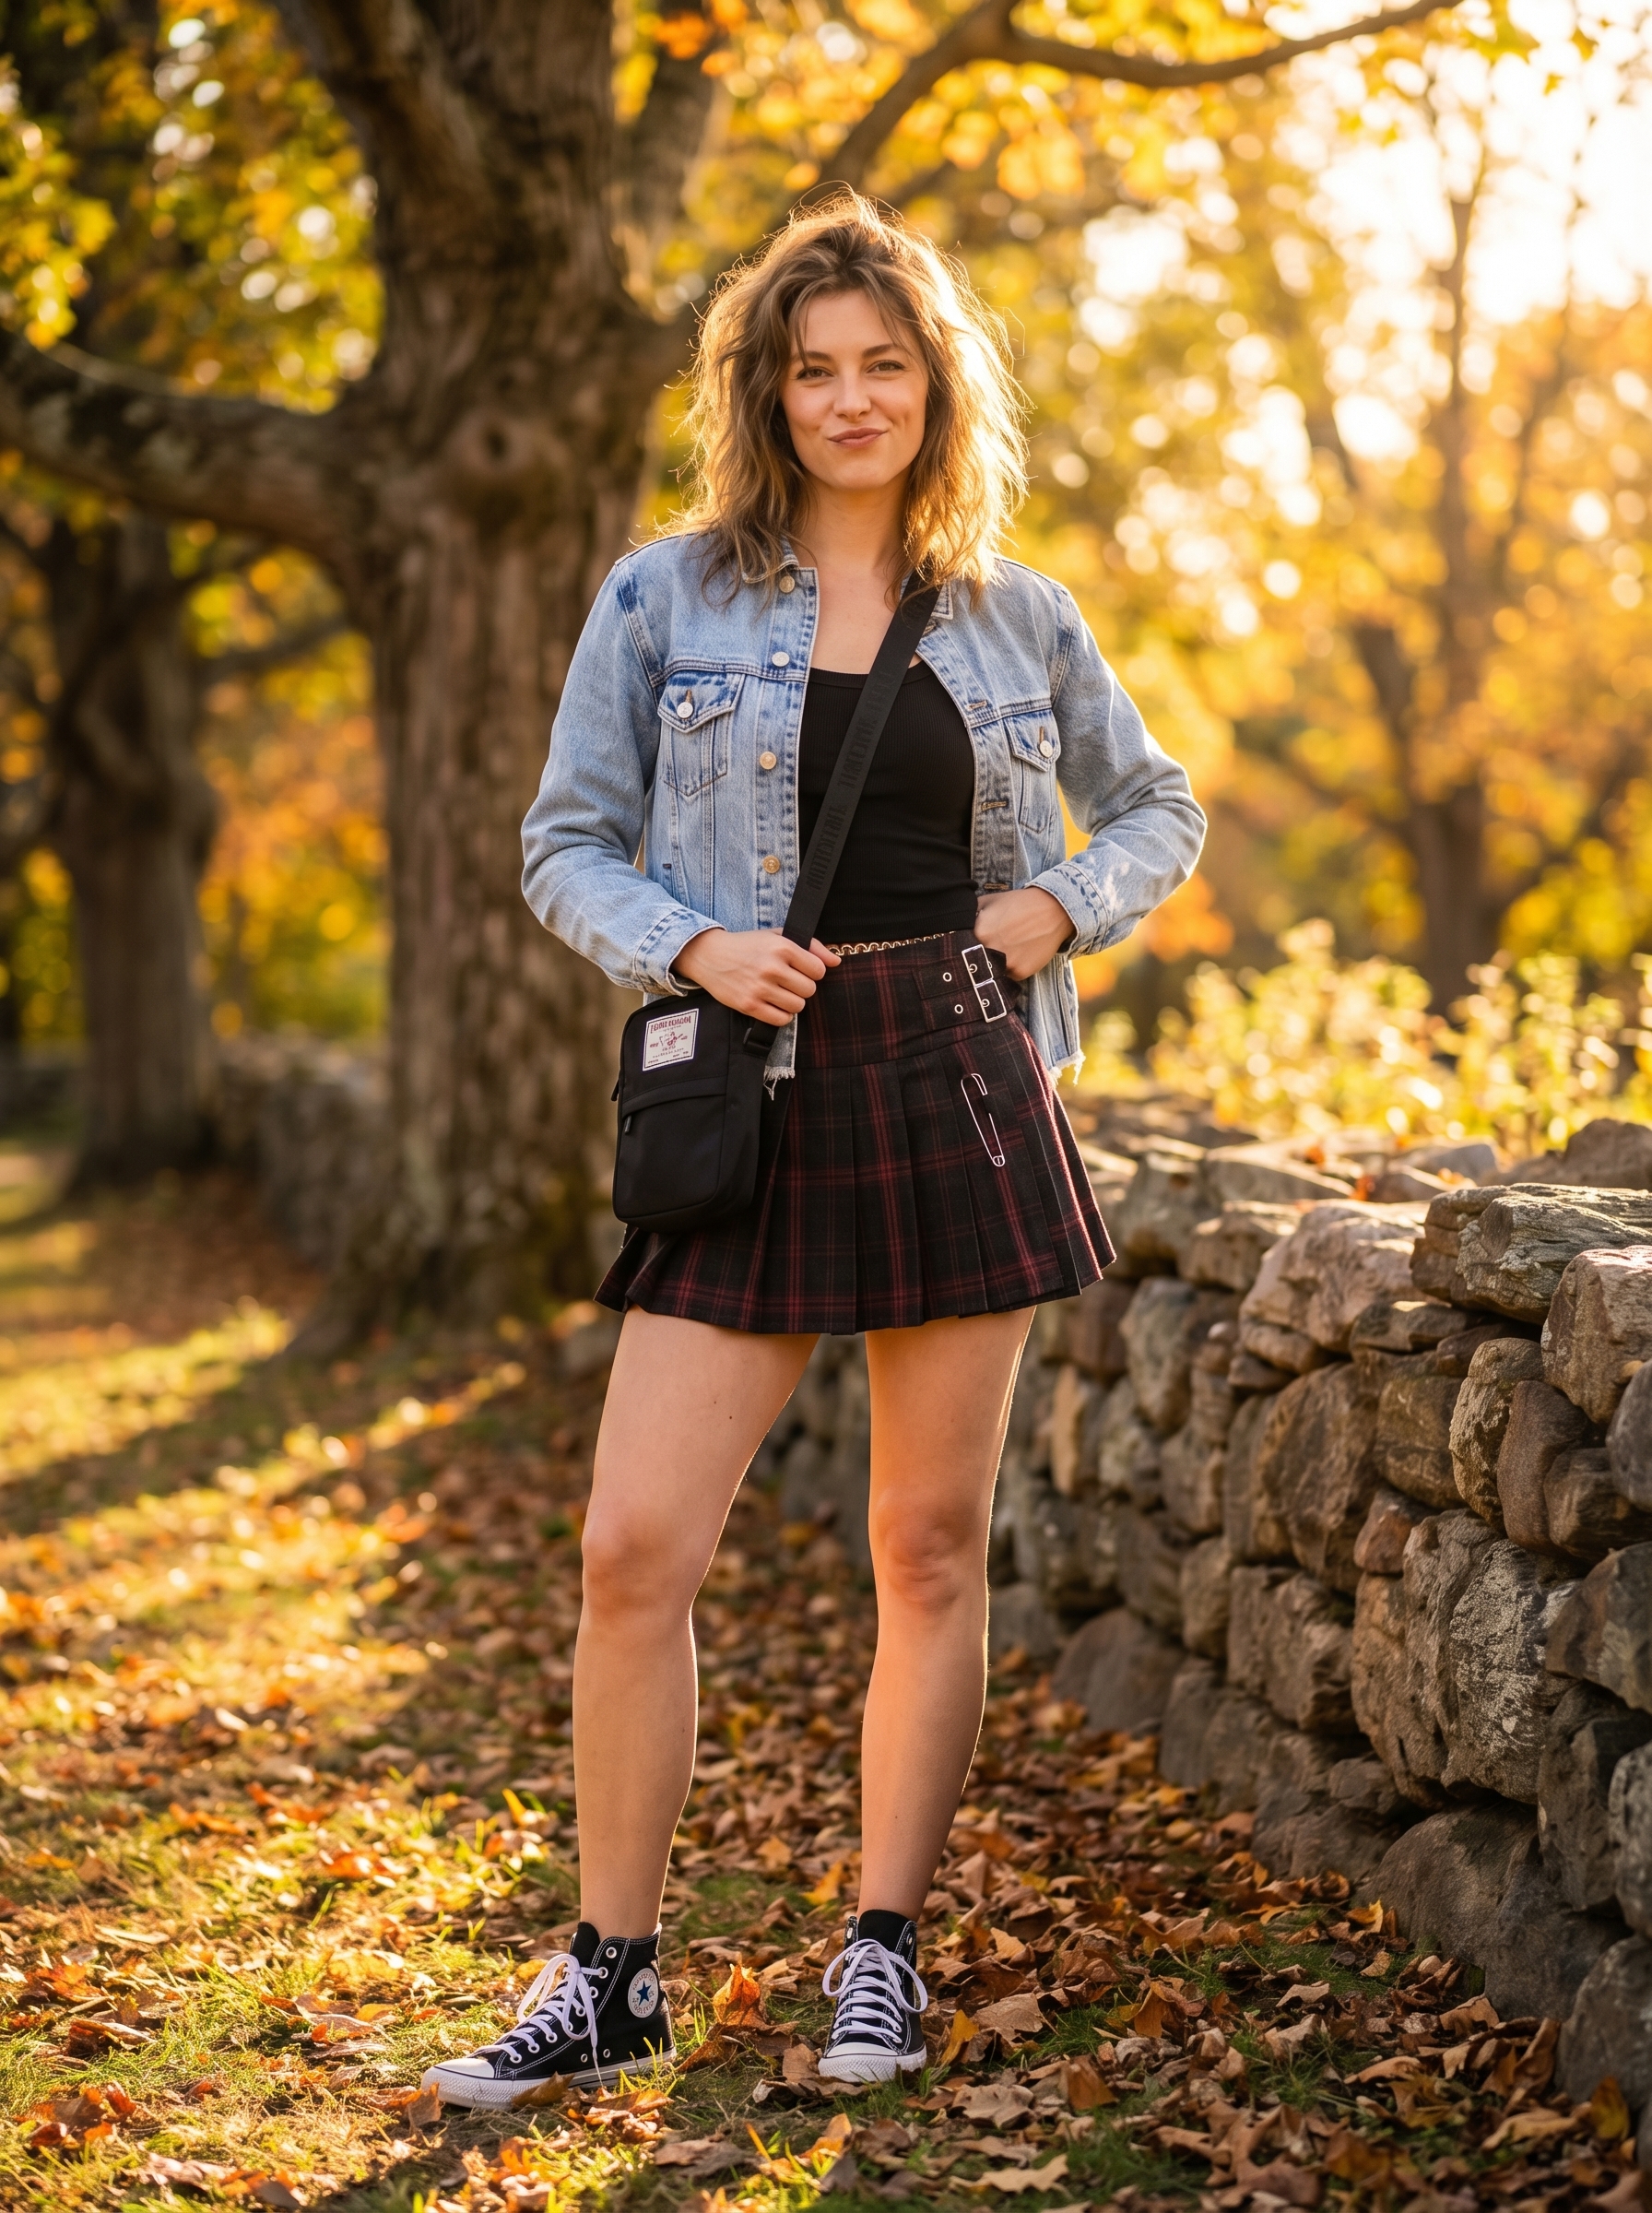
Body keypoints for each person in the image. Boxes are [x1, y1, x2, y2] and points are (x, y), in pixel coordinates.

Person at [423, 191, 1204, 2109]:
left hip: (952, 1080)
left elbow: (1158, 808)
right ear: (763, 395)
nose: (849, 399)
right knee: (631, 1549)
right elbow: (558, 844)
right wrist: (687, 940)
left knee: (924, 1545)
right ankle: (608, 1972)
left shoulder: (1018, 614)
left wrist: (1052, 914)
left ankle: (880, 1950)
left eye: (883, 364)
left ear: (936, 385)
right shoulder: (660, 595)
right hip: (743, 1095)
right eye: (810, 369)